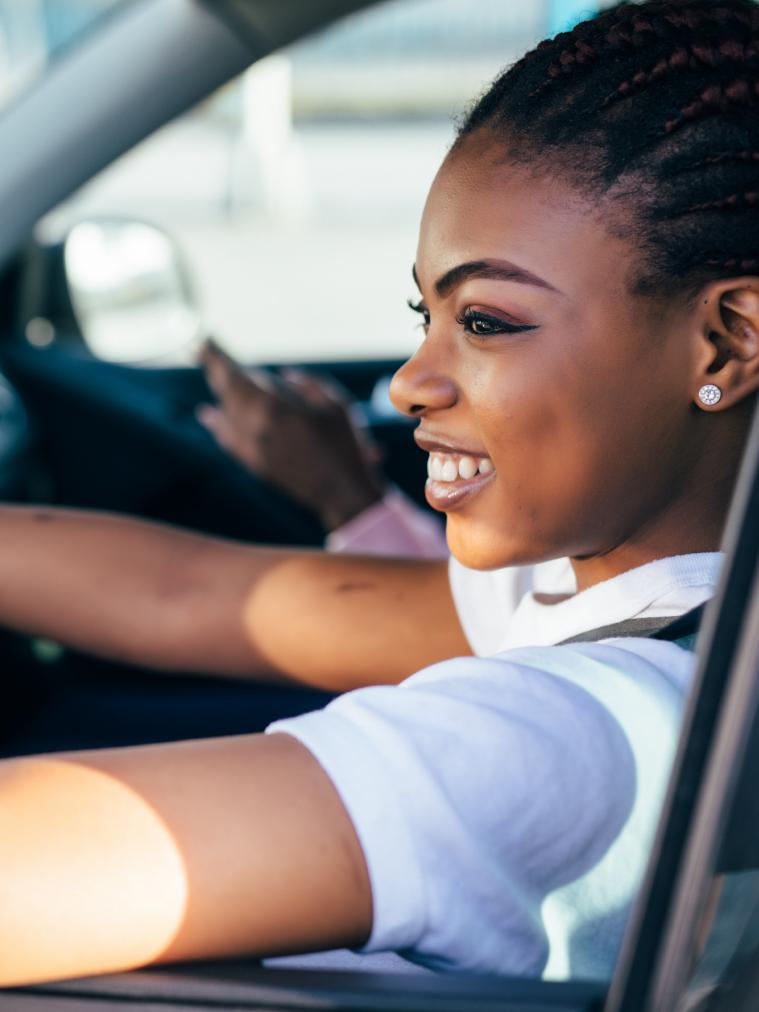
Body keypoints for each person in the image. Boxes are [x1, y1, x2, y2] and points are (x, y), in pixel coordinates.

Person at [1, 0, 758, 987]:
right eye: (424, 311)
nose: (410, 381)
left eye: (485, 319)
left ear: (730, 340)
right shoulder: (670, 624)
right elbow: (199, 594)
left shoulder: (570, 737)